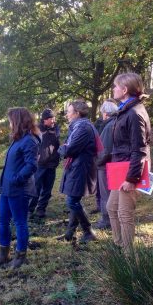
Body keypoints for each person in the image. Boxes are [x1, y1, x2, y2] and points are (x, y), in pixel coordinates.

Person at [0, 107, 40, 269]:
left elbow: (31, 165)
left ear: (17, 121)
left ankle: (20, 256)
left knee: (20, 223)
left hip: (19, 190)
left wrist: (17, 179)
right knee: (3, 222)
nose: (9, 123)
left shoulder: (29, 140)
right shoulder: (18, 139)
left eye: (11, 120)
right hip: (7, 189)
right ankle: (3, 254)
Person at [106, 72, 151, 251]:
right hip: (120, 168)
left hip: (129, 171)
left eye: (116, 86)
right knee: (111, 208)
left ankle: (128, 257)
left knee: (125, 214)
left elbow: (139, 149)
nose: (113, 89)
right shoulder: (125, 110)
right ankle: (119, 246)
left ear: (124, 90)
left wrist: (131, 179)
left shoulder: (134, 112)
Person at [58, 100, 99, 243]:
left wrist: (62, 148)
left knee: (72, 201)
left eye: (69, 112)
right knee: (73, 199)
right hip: (77, 166)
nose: (67, 115)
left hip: (81, 168)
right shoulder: (78, 126)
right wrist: (64, 147)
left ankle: (88, 230)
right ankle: (70, 232)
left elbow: (69, 149)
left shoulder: (83, 127)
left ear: (77, 113)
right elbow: (67, 146)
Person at [28, 108, 60, 219]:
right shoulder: (37, 129)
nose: (53, 120)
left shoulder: (56, 128)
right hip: (40, 165)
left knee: (47, 189)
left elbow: (57, 144)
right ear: (44, 120)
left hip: (52, 164)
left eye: (53, 118)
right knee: (35, 188)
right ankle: (29, 210)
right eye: (51, 118)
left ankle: (41, 209)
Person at [95, 100, 119, 229]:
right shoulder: (116, 122)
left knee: (106, 194)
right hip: (113, 164)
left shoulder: (109, 126)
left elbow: (104, 150)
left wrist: (96, 162)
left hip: (105, 166)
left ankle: (106, 220)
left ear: (105, 113)